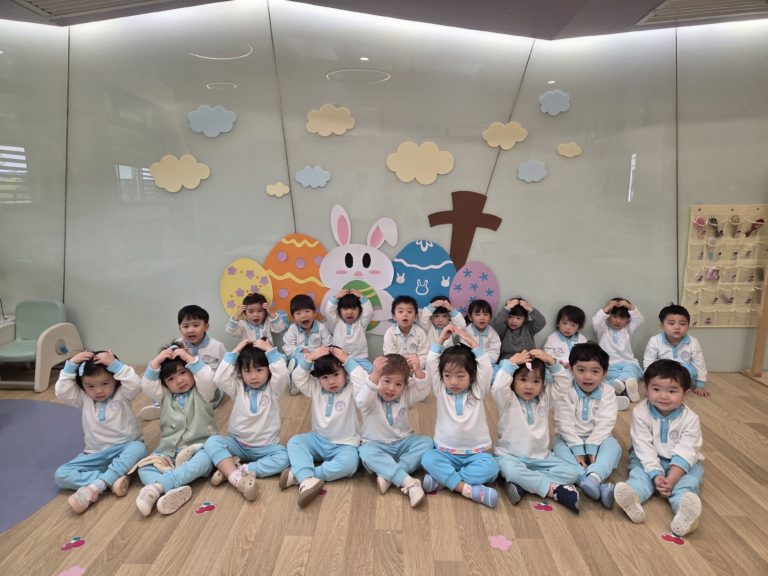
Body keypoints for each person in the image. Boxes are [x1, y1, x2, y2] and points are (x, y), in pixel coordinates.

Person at [614, 360, 704, 536]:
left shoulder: (690, 419)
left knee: (687, 482)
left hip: (680, 465)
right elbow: (642, 445)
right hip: (647, 458)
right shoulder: (641, 412)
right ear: (646, 389)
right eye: (656, 389)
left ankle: (684, 513)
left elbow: (687, 450)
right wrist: (655, 474)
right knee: (639, 476)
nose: (663, 396)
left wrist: (672, 478)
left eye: (672, 391)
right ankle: (633, 498)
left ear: (685, 394)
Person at [54, 350, 147, 514]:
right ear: (82, 386)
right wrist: (71, 365)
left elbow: (135, 384)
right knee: (61, 475)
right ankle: (111, 480)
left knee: (139, 448)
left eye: (105, 383)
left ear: (115, 379)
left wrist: (115, 365)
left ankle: (99, 485)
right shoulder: (83, 398)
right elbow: (62, 392)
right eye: (90, 386)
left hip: (124, 449)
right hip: (94, 454)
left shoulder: (123, 394)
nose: (98, 391)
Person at [420, 325, 500, 508]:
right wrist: (441, 339)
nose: (453, 381)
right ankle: (466, 489)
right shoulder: (440, 390)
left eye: (460, 376)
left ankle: (443, 481)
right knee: (428, 458)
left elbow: (486, 368)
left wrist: (472, 343)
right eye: (447, 376)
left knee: (492, 468)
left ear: (472, 376)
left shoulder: (478, 391)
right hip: (445, 452)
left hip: (476, 454)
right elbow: (431, 363)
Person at [492, 349, 581, 513]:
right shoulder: (507, 400)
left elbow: (564, 384)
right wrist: (511, 363)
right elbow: (498, 386)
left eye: (536, 381)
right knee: (510, 470)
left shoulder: (545, 398)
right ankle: (553, 490)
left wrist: (551, 361)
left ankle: (523, 485)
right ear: (512, 381)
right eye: (523, 379)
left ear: (543, 383)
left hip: (541, 458)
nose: (529, 386)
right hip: (510, 456)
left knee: (572, 474)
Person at [279, 346, 366, 508]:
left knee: (351, 463)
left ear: (345, 372)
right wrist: (310, 358)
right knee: (295, 441)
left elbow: (363, 381)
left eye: (336, 374)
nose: (331, 381)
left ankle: (302, 476)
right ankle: (305, 477)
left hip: (345, 444)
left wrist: (347, 360)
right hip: (318, 440)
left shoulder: (352, 389)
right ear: (318, 378)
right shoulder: (315, 387)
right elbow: (298, 377)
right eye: (325, 377)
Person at [134, 345, 217, 516]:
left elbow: (207, 377)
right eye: (171, 378)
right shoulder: (164, 396)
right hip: (168, 450)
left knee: (206, 460)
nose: (179, 380)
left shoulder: (204, 392)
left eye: (183, 372)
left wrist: (188, 357)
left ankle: (157, 488)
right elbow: (147, 385)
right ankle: (172, 488)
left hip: (199, 447)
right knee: (144, 467)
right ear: (164, 384)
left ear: (192, 371)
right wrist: (157, 361)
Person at [204, 339, 290, 501]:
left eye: (259, 370)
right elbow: (219, 378)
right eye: (247, 371)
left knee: (285, 457)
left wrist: (270, 350)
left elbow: (282, 374)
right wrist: (236, 350)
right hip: (237, 444)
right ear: (240, 372)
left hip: (266, 446)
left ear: (269, 370)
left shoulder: (273, 389)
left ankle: (237, 469)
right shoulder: (237, 388)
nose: (253, 376)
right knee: (212, 442)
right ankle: (235, 477)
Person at [356, 354, 433, 507]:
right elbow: (361, 402)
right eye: (386, 381)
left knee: (427, 442)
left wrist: (418, 371)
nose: (391, 388)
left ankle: (389, 475)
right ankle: (408, 482)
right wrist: (375, 374)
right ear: (378, 379)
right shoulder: (371, 396)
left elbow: (423, 391)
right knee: (365, 452)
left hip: (403, 442)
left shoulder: (405, 396)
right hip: (376, 445)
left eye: (398, 384)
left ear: (405, 386)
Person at [552, 342, 622, 509]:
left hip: (599, 438)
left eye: (595, 371)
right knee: (559, 452)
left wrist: (592, 445)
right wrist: (577, 448)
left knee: (613, 447)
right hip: (567, 439)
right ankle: (594, 482)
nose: (588, 376)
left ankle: (594, 477)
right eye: (581, 370)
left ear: (604, 373)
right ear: (571, 369)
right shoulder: (565, 390)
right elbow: (563, 422)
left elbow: (606, 422)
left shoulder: (608, 392)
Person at [138, 304, 226, 421]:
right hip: (185, 379)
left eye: (196, 325)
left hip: (207, 383)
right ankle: (160, 406)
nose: (190, 330)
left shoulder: (217, 346)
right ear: (180, 329)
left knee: (209, 394)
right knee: (163, 384)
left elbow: (225, 368)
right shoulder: (179, 344)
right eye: (185, 326)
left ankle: (184, 408)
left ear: (206, 327)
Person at [643, 304, 709, 397]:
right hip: (663, 370)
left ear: (688, 326)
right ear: (662, 326)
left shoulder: (693, 342)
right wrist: (648, 381)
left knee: (690, 370)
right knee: (657, 372)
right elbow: (649, 361)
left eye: (682, 324)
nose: (677, 327)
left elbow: (699, 363)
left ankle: (679, 388)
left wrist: (700, 385)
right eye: (671, 323)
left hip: (683, 372)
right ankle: (664, 387)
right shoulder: (654, 341)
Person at [592, 298, 644, 403]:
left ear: (628, 320)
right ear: (608, 317)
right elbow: (596, 322)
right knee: (608, 376)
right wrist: (607, 308)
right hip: (610, 365)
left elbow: (639, 320)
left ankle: (621, 388)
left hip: (628, 362)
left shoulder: (628, 330)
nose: (618, 321)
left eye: (622, 318)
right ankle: (624, 390)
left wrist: (630, 306)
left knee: (632, 370)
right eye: (614, 316)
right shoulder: (603, 331)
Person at [282, 294, 332, 394]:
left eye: (307, 311)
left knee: (326, 363)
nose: (303, 316)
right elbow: (287, 346)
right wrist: (301, 350)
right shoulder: (293, 329)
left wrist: (319, 353)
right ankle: (294, 381)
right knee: (296, 360)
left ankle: (319, 382)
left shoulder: (321, 328)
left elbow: (328, 344)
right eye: (298, 313)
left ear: (314, 313)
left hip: (317, 357)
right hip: (300, 356)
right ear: (293, 317)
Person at [325, 289, 374, 373]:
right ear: (339, 310)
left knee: (371, 370)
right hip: (339, 358)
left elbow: (369, 313)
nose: (349, 312)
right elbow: (328, 311)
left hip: (359, 359)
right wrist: (336, 297)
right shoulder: (336, 322)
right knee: (333, 372)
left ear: (359, 310)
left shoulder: (361, 323)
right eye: (345, 308)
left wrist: (362, 297)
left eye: (354, 308)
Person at [492, 297, 546, 362]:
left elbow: (541, 322)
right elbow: (497, 323)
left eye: (518, 318)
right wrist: (507, 308)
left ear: (525, 319)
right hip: (509, 360)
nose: (513, 321)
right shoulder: (503, 328)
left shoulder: (528, 327)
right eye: (510, 317)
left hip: (527, 359)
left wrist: (530, 309)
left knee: (539, 364)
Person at [383, 295, 429, 368]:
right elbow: (389, 355)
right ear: (394, 316)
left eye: (409, 312)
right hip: (396, 368)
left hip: (416, 368)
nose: (405, 315)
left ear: (415, 316)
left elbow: (424, 355)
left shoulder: (420, 333)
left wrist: (416, 367)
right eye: (400, 311)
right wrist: (402, 368)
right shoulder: (390, 333)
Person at [542, 305, 588, 370]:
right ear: (558, 323)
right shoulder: (552, 338)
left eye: (573, 325)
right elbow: (547, 354)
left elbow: (587, 354)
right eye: (564, 323)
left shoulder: (582, 339)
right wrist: (560, 363)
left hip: (578, 369)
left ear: (579, 328)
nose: (567, 327)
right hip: (559, 369)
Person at [462, 299, 501, 364]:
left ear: (490, 317)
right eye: (477, 315)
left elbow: (495, 350)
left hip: (488, 362)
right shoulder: (467, 332)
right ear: (470, 317)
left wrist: (487, 361)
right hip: (470, 362)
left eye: (486, 314)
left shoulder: (492, 333)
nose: (482, 318)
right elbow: (464, 349)